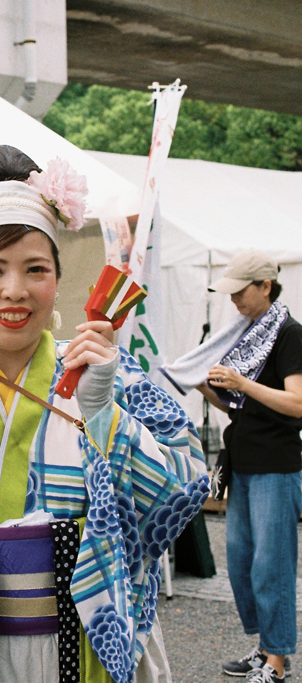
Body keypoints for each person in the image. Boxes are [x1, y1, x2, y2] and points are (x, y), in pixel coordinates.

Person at [0, 145, 210, 683]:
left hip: (87, 639)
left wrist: (104, 416)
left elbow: (179, 502)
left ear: (56, 277)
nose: (15, 291)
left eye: (35, 269)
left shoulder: (112, 379)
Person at [194, 251, 302, 683]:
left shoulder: (290, 334)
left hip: (277, 465)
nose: (234, 299)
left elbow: (296, 403)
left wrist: (241, 382)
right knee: (240, 561)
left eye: (241, 290)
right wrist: (202, 383)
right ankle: (265, 648)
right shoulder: (248, 333)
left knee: (271, 564)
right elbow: (238, 406)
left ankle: (277, 661)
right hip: (243, 458)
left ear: (265, 287)